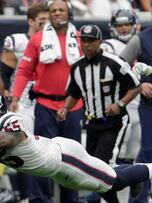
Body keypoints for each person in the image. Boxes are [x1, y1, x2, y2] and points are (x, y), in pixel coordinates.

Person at [0, 89, 152, 203]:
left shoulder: (8, 121)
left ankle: (145, 171)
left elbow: (1, 141)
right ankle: (134, 176)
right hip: (56, 172)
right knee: (103, 183)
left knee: (113, 181)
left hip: (65, 158)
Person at [56, 24, 141, 202]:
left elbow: (135, 86)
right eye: (83, 40)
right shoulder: (77, 67)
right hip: (91, 122)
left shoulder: (114, 62)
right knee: (92, 168)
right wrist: (65, 108)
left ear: (100, 42)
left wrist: (119, 104)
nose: (86, 44)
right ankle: (134, 172)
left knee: (102, 167)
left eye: (91, 40)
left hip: (114, 122)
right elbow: (73, 92)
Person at [11, 0, 83, 202]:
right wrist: (15, 97)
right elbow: (24, 70)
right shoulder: (38, 39)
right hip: (45, 105)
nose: (57, 13)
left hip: (73, 105)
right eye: (53, 11)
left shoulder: (81, 38)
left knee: (73, 159)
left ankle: (71, 200)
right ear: (48, 14)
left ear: (69, 13)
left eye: (61, 10)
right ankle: (39, 200)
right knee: (43, 158)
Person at [0, 3, 48, 202]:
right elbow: (3, 75)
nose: (47, 25)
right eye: (42, 21)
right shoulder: (17, 41)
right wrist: (10, 99)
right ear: (31, 21)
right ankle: (25, 196)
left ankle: (41, 195)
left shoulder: (55, 41)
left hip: (45, 102)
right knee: (23, 150)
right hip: (21, 103)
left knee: (47, 151)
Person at [100, 9, 141, 165]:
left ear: (134, 25)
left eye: (127, 24)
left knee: (134, 154)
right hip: (121, 102)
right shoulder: (109, 46)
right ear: (113, 27)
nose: (124, 28)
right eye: (120, 25)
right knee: (117, 153)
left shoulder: (142, 42)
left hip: (141, 105)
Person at [120, 18, 152, 203]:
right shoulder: (141, 39)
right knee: (147, 152)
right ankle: (138, 200)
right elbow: (120, 67)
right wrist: (141, 83)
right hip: (149, 107)